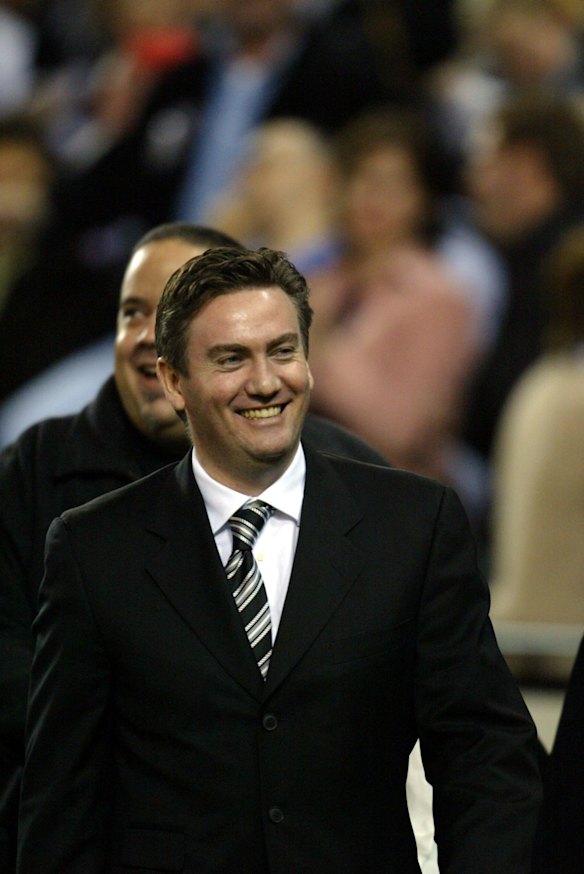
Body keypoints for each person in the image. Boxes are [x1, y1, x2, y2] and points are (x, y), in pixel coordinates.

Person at [16, 246, 541, 872]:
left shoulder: (412, 525)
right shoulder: (93, 548)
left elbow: (485, 757)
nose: (266, 382)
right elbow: (61, 806)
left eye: (283, 351)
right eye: (232, 358)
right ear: (175, 380)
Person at [0, 224, 386, 872]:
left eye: (176, 312)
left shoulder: (352, 477)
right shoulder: (36, 472)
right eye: (132, 313)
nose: (150, 335)